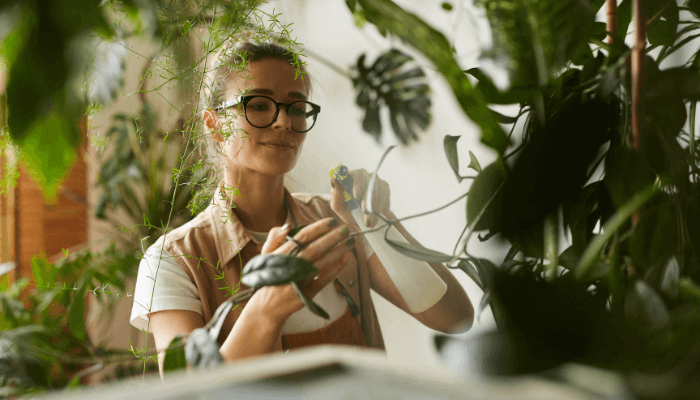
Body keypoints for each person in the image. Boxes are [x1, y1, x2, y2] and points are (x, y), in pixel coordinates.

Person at [130, 41, 474, 376]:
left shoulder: (338, 220)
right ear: (214, 124)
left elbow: (454, 318)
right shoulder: (173, 260)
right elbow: (189, 394)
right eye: (259, 105)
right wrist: (269, 307)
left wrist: (380, 221)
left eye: (296, 108)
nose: (284, 122)